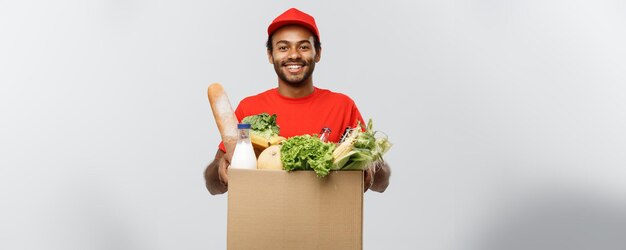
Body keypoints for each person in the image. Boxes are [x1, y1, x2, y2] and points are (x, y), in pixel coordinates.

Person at [204, 8, 391, 195]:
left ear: (318, 53)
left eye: (303, 47)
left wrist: (371, 166)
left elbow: (382, 184)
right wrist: (221, 170)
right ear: (270, 55)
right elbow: (212, 186)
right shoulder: (250, 109)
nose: (294, 55)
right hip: (265, 219)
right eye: (283, 47)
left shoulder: (342, 106)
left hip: (326, 220)